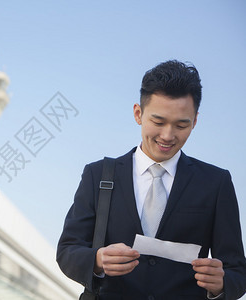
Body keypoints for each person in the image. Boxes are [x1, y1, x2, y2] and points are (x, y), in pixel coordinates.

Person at [57, 60, 246, 300]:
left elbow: (237, 271)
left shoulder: (216, 183)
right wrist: (97, 260)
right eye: (158, 122)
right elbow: (67, 251)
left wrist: (221, 285)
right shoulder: (98, 175)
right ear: (138, 113)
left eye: (181, 125)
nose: (167, 136)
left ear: (195, 121)